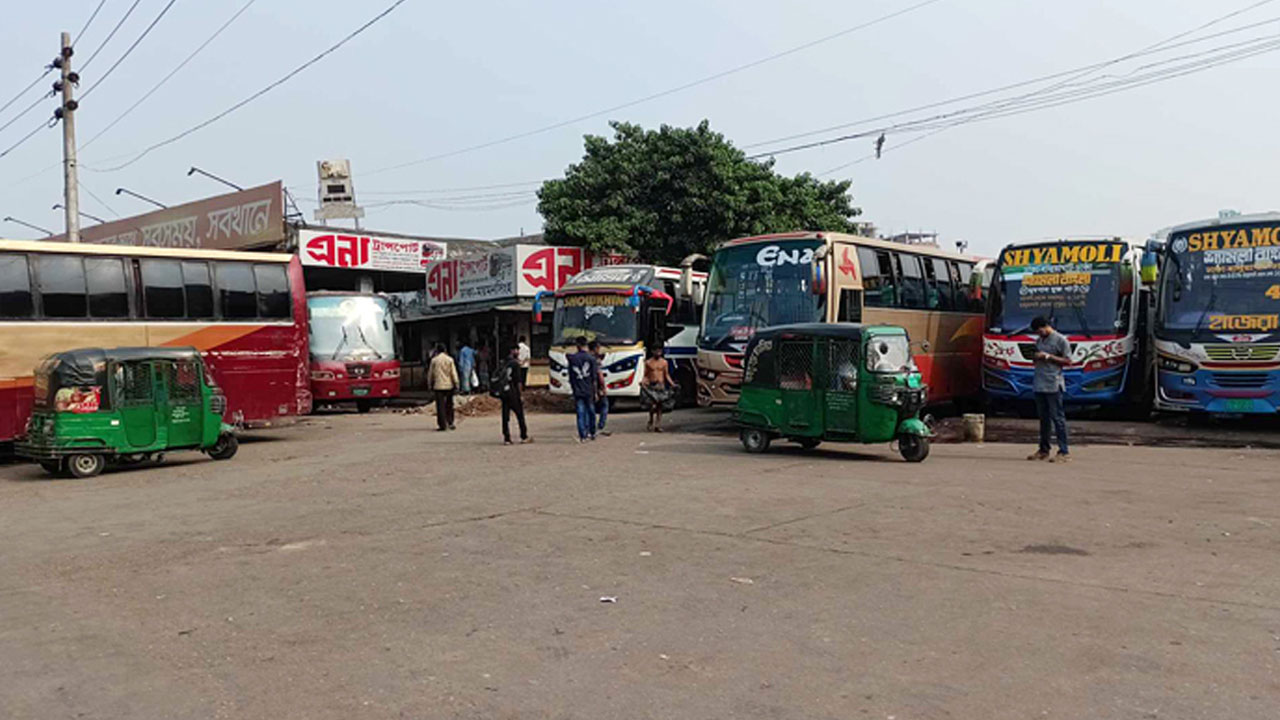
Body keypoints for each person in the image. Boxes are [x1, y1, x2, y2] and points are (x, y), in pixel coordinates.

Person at [1028, 315, 1072, 462]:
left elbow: (1068, 361)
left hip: (1053, 383)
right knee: (1043, 419)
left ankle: (1063, 451)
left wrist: (1048, 357)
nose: (1039, 334)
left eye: (1040, 330)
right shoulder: (1039, 341)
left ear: (1046, 326)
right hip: (1039, 382)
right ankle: (1043, 449)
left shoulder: (1061, 340)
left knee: (1057, 418)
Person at [566, 335, 600, 442]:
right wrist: (596, 392)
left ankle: (582, 435)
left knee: (580, 412)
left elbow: (571, 376)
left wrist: (573, 388)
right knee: (591, 411)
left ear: (577, 345)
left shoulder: (572, 359)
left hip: (578, 389)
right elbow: (594, 377)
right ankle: (592, 432)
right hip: (589, 389)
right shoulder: (591, 359)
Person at [496, 345, 531, 445]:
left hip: (504, 392)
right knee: (520, 415)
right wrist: (520, 394)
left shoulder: (503, 362)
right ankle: (524, 436)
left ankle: (507, 438)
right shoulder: (515, 364)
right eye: (517, 350)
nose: (518, 352)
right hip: (513, 392)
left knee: (505, 416)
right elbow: (518, 381)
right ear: (512, 351)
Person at [641, 346, 674, 432]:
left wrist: (672, 384)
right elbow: (646, 375)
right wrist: (643, 382)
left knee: (660, 407)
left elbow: (666, 375)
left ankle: (658, 425)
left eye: (660, 351)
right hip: (652, 386)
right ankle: (651, 419)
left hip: (661, 386)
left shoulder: (664, 362)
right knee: (652, 406)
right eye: (656, 351)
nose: (658, 352)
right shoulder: (648, 363)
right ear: (653, 351)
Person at [427, 342, 458, 431]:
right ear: (445, 350)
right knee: (449, 405)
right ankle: (450, 422)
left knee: (440, 406)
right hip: (449, 386)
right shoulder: (450, 360)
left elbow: (430, 374)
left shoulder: (434, 360)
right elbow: (453, 373)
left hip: (438, 386)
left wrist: (429, 384)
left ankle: (442, 425)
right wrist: (456, 383)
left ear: (437, 350)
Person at [588, 340, 611, 436]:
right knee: (604, 405)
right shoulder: (596, 360)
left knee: (589, 406)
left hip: (586, 386)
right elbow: (599, 375)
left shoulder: (586, 358)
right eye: (598, 348)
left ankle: (589, 427)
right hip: (596, 386)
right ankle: (600, 426)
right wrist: (603, 387)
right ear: (595, 348)